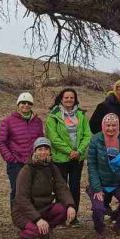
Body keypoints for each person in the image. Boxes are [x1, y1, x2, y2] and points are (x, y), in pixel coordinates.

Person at [12, 137, 77, 239]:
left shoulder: (52, 168)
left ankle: (45, 230)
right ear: (34, 151)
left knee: (63, 210)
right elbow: (21, 199)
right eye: (40, 149)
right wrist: (37, 219)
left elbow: (61, 188)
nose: (43, 152)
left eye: (46, 149)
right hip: (23, 212)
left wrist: (70, 205)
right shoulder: (27, 170)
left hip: (44, 208)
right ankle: (26, 234)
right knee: (36, 231)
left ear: (50, 151)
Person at [45, 88, 92, 227]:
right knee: (61, 186)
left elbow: (87, 135)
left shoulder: (81, 115)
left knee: (75, 187)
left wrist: (79, 151)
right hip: (60, 158)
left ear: (75, 99)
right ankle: (60, 216)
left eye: (72, 98)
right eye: (66, 98)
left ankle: (73, 217)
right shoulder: (53, 116)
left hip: (77, 158)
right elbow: (53, 137)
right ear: (61, 99)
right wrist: (69, 151)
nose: (69, 100)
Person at [86, 113, 120, 239]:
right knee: (98, 208)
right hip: (100, 183)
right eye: (108, 125)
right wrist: (97, 188)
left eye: (114, 125)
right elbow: (91, 165)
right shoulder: (96, 139)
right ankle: (99, 229)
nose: (111, 128)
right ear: (103, 125)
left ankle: (118, 224)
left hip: (117, 183)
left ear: (118, 125)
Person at [0, 92, 43, 205]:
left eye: (29, 103)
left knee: (32, 191)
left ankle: (31, 218)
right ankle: (17, 217)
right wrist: (10, 158)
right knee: (17, 191)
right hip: (16, 163)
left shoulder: (37, 122)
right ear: (18, 104)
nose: (26, 105)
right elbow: (1, 142)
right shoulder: (8, 121)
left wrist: (39, 157)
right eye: (23, 102)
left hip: (33, 162)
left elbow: (40, 140)